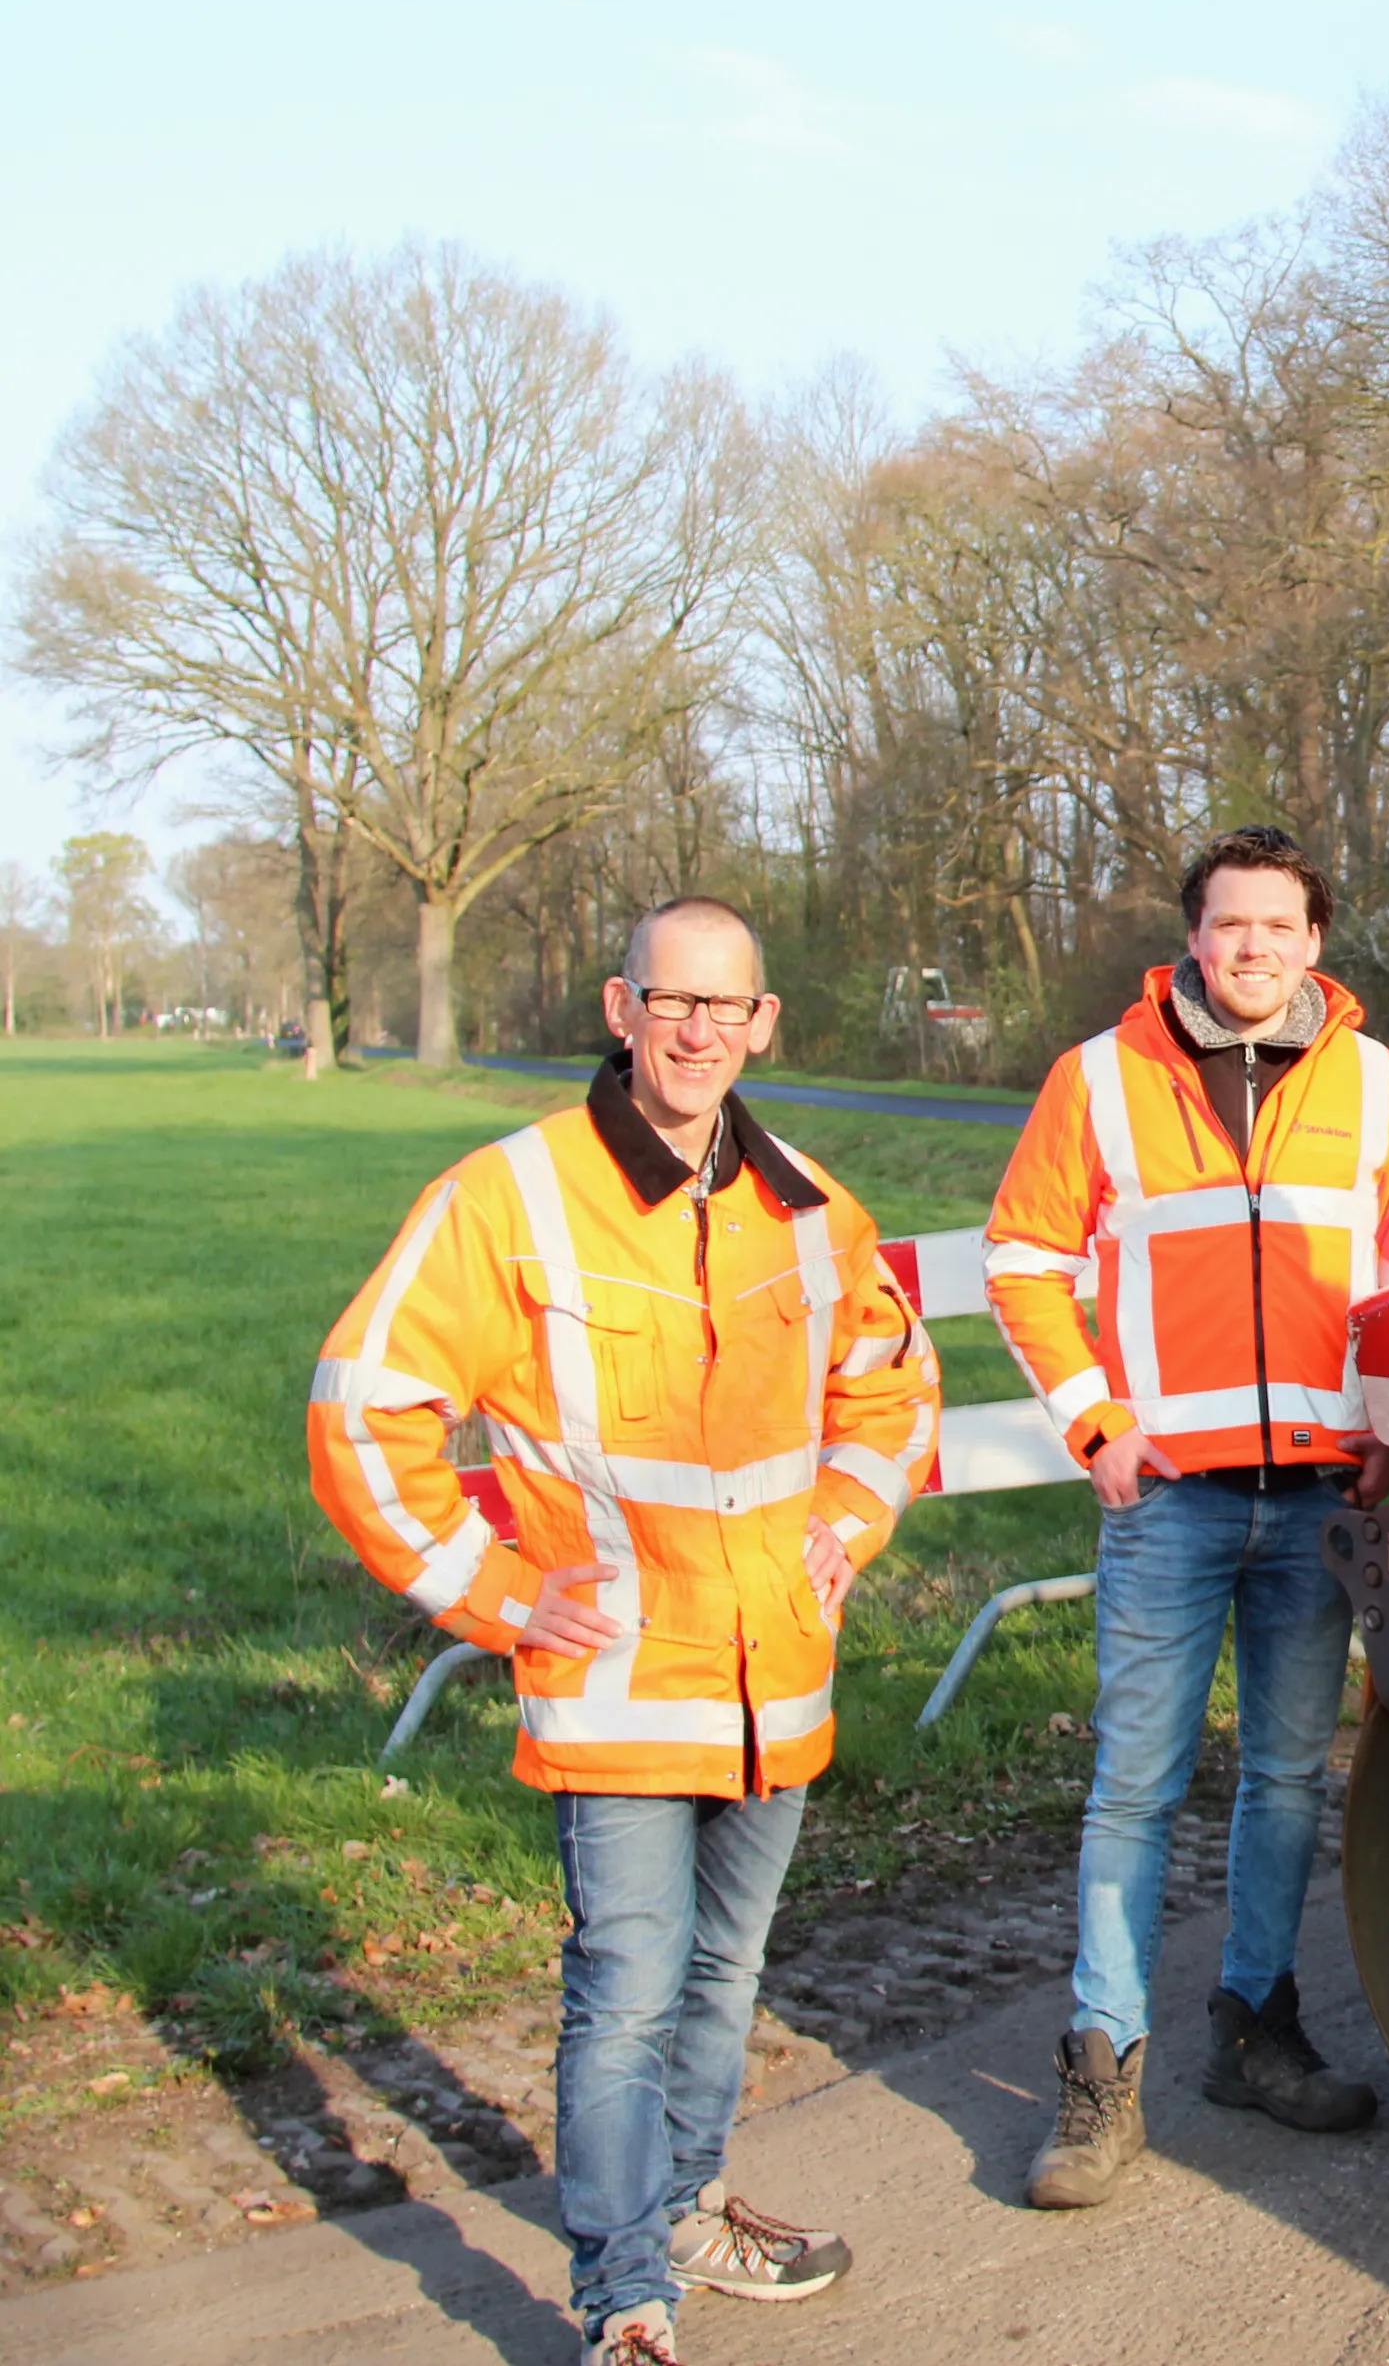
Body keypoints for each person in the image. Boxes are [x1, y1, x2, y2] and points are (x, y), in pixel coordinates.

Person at [308, 897, 939, 2366]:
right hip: (613, 1686)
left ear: (764, 1024)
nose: (700, 1032)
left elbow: (891, 1388)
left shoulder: (806, 1204)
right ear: (621, 1005)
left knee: (725, 1980)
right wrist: (502, 1594)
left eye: (728, 1009)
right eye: (674, 1002)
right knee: (628, 1997)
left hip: (774, 1681)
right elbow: (363, 1407)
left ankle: (691, 2204)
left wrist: (842, 1526)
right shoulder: (509, 1198)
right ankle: (623, 2296)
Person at [987, 823, 1389, 2207]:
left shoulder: (1376, 1085)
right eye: (1228, 924)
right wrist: (1096, 1420)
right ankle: (1100, 2073)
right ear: (1192, 937)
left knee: (1281, 1781)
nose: (1252, 947)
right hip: (1174, 1503)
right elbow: (1021, 1260)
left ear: (1315, 942)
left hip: (1320, 1493)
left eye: (1278, 926)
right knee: (1133, 1788)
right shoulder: (1100, 1079)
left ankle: (1255, 2032)